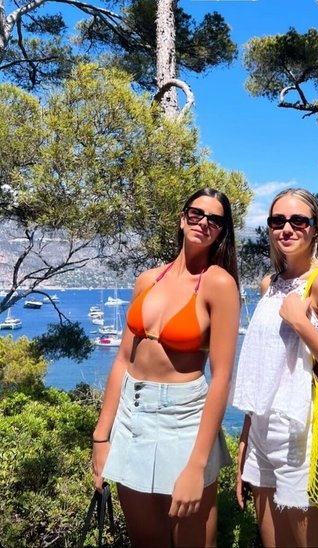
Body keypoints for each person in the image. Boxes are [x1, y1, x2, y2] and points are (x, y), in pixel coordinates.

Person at [92, 187, 240, 547]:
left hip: (183, 422)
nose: (203, 222)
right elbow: (123, 360)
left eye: (214, 219)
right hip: (132, 418)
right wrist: (101, 436)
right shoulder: (148, 280)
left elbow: (221, 378)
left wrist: (196, 465)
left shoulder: (219, 284)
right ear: (182, 219)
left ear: (221, 231)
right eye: (196, 213)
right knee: (146, 540)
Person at [231, 188, 318, 548]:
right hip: (262, 434)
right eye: (278, 221)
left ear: (315, 228)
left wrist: (303, 325)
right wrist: (246, 438)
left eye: (298, 221)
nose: (287, 229)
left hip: (304, 435)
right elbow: (266, 371)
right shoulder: (269, 284)